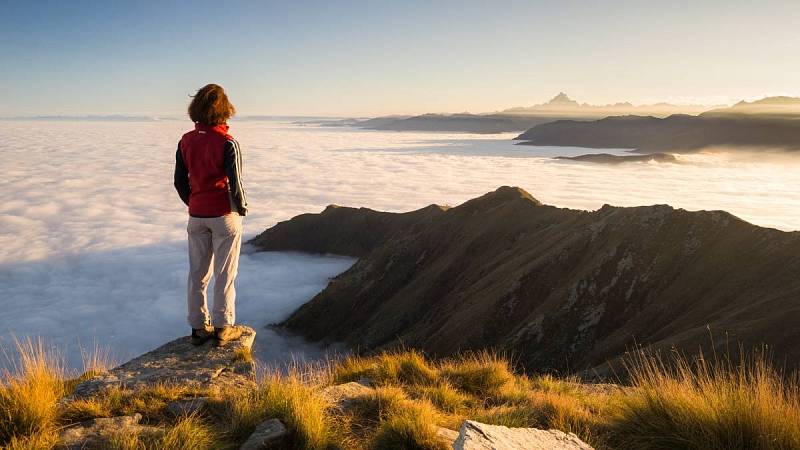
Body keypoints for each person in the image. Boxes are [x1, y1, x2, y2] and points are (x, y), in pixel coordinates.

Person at [173, 84, 248, 346]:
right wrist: (242, 208)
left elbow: (179, 181)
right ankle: (223, 327)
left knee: (197, 273)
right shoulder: (227, 142)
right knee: (225, 274)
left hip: (196, 215)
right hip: (223, 214)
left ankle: (197, 328)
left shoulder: (185, 141)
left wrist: (194, 203)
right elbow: (236, 183)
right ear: (224, 110)